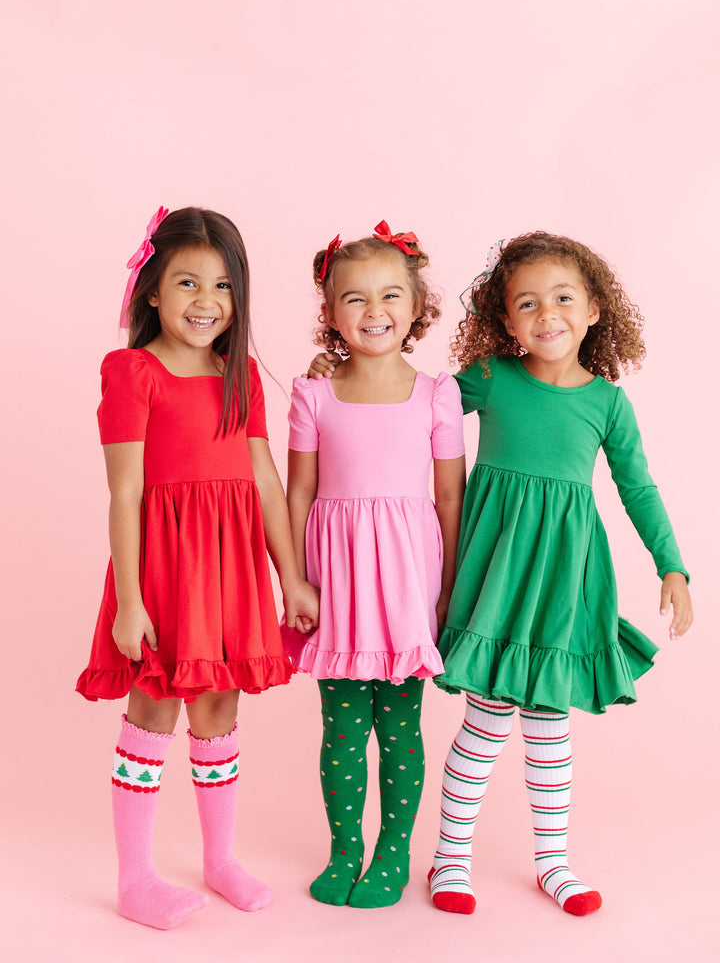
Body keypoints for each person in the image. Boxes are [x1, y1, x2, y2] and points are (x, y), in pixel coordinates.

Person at [308, 230, 693, 918]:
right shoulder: (490, 379)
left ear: (597, 308)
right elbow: (403, 398)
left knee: (549, 726)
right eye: (527, 303)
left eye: (564, 298)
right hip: (498, 576)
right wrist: (338, 380)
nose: (548, 314)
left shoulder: (607, 403)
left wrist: (672, 566)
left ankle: (554, 862)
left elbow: (637, 486)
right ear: (504, 320)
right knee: (484, 725)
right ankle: (449, 860)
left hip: (562, 580)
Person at [76, 206, 318, 930]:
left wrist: (291, 577)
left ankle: (219, 860)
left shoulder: (236, 372)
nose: (205, 301)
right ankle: (136, 878)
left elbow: (267, 483)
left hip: (230, 569)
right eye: (186, 282)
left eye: (221, 285)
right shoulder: (132, 372)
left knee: (218, 708)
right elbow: (124, 490)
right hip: (162, 569)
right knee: (153, 706)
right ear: (152, 289)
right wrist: (129, 602)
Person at [284, 222, 466, 909]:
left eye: (391, 295)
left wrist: (447, 592)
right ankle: (345, 850)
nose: (374, 312)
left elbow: (450, 496)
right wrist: (295, 580)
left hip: (405, 584)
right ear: (329, 313)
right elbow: (299, 490)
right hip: (336, 583)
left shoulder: (436, 395)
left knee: (399, 726)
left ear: (417, 304)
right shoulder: (313, 395)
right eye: (353, 299)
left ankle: (393, 854)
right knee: (341, 728)